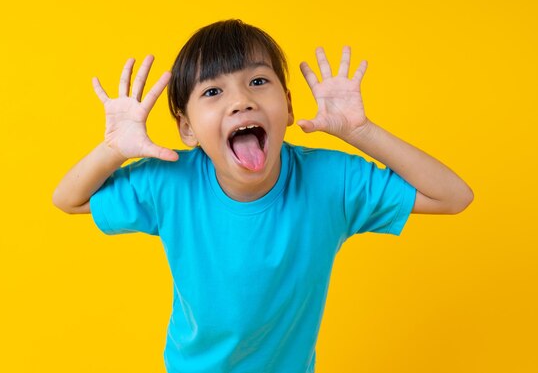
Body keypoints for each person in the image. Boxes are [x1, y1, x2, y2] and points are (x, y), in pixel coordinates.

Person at [52, 19, 473, 373]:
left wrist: (361, 132)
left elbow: (453, 196)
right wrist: (113, 149)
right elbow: (68, 198)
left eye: (257, 81)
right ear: (187, 130)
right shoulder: (170, 181)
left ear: (288, 107)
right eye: (213, 92)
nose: (241, 101)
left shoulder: (331, 181)